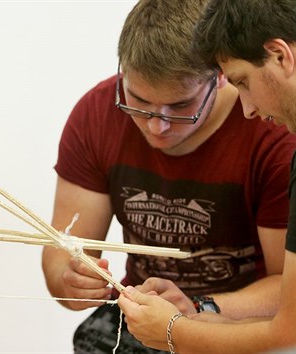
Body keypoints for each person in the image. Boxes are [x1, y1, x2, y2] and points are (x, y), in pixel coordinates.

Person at [40, 0, 296, 352]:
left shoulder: (273, 130)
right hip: (144, 312)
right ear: (123, 72)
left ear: (220, 77)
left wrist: (201, 309)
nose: (157, 126)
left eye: (179, 107)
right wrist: (67, 281)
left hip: (237, 320)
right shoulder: (96, 116)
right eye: (139, 102)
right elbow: (64, 248)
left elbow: (288, 299)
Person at [118, 0, 296, 352]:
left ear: (280, 56)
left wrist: (173, 331)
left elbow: (288, 330)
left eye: (242, 82)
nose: (248, 109)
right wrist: (198, 312)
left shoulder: (277, 145)